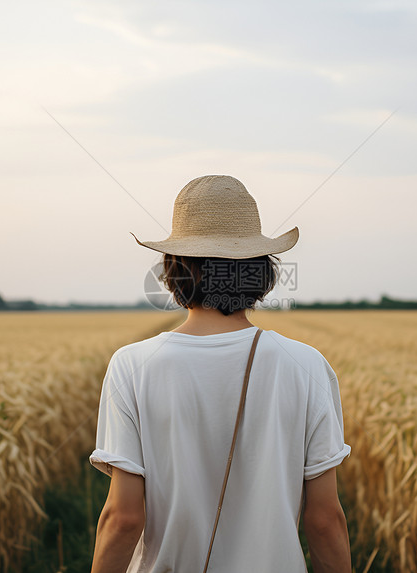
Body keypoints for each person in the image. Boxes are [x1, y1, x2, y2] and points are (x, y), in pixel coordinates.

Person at [89, 175, 352, 572]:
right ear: (260, 271)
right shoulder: (308, 366)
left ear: (173, 269)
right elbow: (325, 520)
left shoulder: (132, 365)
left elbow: (123, 519)